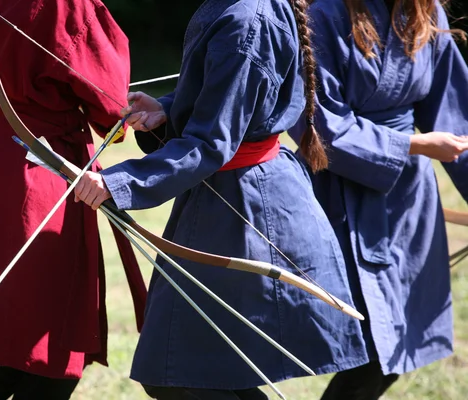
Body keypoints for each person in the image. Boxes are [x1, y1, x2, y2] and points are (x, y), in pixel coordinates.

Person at [74, 0, 369, 398]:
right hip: (223, 198)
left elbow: (214, 140)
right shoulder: (234, 9)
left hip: (248, 208)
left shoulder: (247, 19)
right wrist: (167, 108)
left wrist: (121, 181)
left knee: (183, 373)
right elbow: (225, 97)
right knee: (196, 372)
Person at [0, 1, 146, 399]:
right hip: (37, 181)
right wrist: (119, 116)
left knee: (16, 351)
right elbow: (108, 101)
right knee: (41, 354)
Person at [288, 1, 468, 399]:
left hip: (408, 204)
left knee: (400, 340)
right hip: (337, 194)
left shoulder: (425, 13)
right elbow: (318, 126)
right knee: (368, 340)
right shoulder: (324, 15)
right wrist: (411, 144)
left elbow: (457, 118)